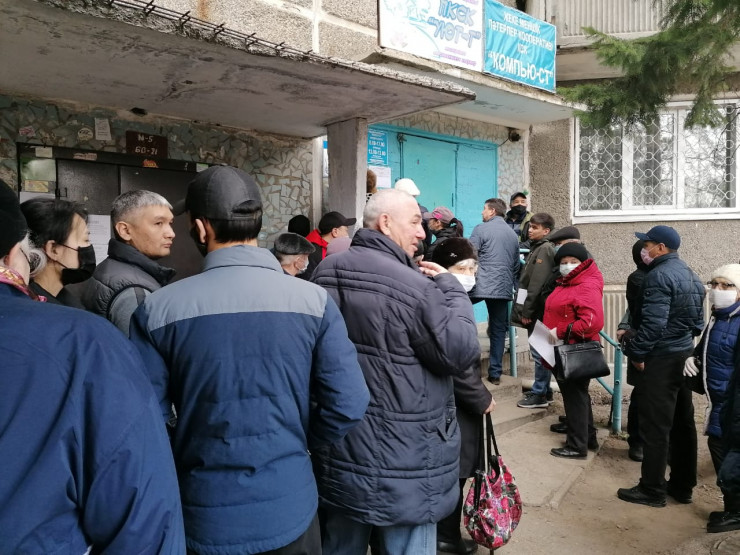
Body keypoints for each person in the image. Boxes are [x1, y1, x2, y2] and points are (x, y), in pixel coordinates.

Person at [129, 165, 369, 555]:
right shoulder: (313, 301)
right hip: (291, 505)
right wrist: (298, 439)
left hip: (203, 511)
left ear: (201, 229)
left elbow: (144, 420)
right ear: (257, 224)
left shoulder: (158, 310)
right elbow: (349, 402)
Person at [0, 181, 185, 553]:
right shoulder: (91, 330)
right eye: (159, 223)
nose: (171, 232)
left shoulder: (77, 302)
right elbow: (139, 505)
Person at [311, 188, 481, 555]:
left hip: (341, 454)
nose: (422, 232)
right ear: (386, 223)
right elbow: (460, 352)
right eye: (416, 222)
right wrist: (452, 290)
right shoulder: (417, 287)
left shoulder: (325, 272)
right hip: (407, 463)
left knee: (340, 543)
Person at [618, 225, 704, 508]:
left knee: (656, 426)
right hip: (683, 356)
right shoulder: (690, 274)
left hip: (662, 360)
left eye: (648, 245)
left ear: (661, 248)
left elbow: (653, 325)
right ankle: (682, 486)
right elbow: (698, 324)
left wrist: (636, 352)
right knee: (683, 424)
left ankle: (652, 489)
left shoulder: (658, 276)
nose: (644, 250)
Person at [431, 238, 496, 555]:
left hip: (450, 403)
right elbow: (458, 363)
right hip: (452, 406)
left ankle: (444, 535)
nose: (469, 275)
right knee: (454, 472)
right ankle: (445, 538)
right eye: (462, 268)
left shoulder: (450, 299)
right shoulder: (445, 301)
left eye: (473, 269)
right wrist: (481, 397)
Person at [682, 265, 740, 532]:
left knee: (730, 459)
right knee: (721, 452)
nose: (718, 290)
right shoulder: (719, 317)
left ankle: (736, 513)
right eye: (714, 284)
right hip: (719, 402)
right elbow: (708, 346)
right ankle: (732, 509)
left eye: (726, 285)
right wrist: (693, 357)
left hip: (733, 406)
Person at [82, 190, 176, 336]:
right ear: (125, 230)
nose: (171, 233)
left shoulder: (110, 267)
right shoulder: (134, 292)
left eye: (170, 223)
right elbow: (138, 350)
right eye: (158, 223)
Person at [543, 243, 604, 458]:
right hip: (561, 346)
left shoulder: (585, 285)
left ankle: (576, 446)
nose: (567, 265)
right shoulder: (568, 282)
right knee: (578, 396)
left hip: (572, 349)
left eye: (573, 261)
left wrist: (558, 330)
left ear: (583, 262)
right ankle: (588, 438)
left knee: (575, 398)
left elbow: (591, 323)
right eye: (563, 262)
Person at [468, 198, 520, 385]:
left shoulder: (480, 229)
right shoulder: (512, 234)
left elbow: (470, 254)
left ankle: (467, 369)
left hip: (479, 285)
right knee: (499, 330)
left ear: (492, 211)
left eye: (484, 209)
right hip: (502, 288)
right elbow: (516, 264)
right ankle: (495, 373)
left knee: (461, 317)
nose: (482, 212)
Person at [511, 212, 557, 408]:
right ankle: (544, 390)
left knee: (540, 353)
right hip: (534, 310)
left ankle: (540, 394)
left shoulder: (545, 249)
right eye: (530, 226)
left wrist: (527, 312)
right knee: (542, 352)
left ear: (546, 231)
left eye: (535, 227)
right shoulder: (536, 248)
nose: (530, 230)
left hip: (538, 311)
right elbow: (525, 283)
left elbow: (536, 285)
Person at [20, 197, 95, 307]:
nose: (89, 246)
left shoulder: (58, 299)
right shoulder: (40, 311)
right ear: (53, 249)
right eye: (85, 240)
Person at [615, 240, 649, 462]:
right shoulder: (638, 278)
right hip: (642, 343)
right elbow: (636, 309)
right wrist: (626, 327)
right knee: (641, 396)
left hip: (655, 347)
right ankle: (637, 442)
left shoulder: (663, 274)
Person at [302, 210, 356, 280]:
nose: (347, 235)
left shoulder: (327, 248)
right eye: (346, 230)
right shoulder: (312, 252)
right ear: (335, 232)